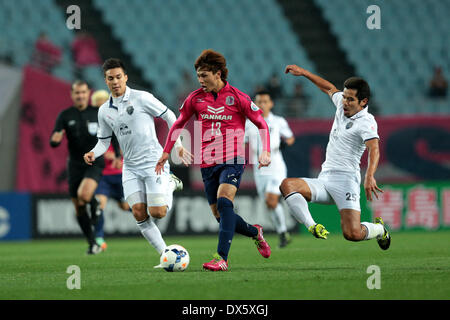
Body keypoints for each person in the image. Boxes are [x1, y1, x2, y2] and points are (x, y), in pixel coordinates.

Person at [155, 49, 272, 271]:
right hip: (208, 162)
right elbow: (178, 123)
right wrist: (166, 151)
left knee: (225, 202)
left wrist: (265, 151)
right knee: (221, 216)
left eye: (204, 76)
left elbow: (261, 123)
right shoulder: (195, 98)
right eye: (198, 76)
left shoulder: (238, 97)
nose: (200, 81)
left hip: (233, 157)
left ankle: (221, 258)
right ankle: (255, 232)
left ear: (218, 74)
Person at [83, 58, 191, 262]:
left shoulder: (142, 98)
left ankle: (170, 182)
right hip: (130, 167)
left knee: (157, 212)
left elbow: (170, 116)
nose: (115, 81)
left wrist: (177, 145)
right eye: (110, 78)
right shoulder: (104, 111)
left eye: (118, 77)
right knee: (139, 213)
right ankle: (166, 255)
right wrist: (93, 153)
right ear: (105, 81)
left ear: (125, 77)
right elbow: (104, 142)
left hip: (153, 161)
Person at [280, 64, 391, 250]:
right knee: (287, 185)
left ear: (363, 102)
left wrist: (370, 175)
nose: (345, 102)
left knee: (352, 234)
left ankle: (380, 229)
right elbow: (328, 88)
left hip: (347, 181)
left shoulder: (366, 122)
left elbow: (374, 149)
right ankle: (312, 226)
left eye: (350, 99)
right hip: (325, 179)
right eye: (345, 97)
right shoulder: (342, 104)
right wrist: (304, 73)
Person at [50, 80, 105, 255]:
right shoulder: (65, 115)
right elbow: (56, 135)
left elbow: (113, 134)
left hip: (94, 161)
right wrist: (55, 139)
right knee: (79, 207)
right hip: (74, 165)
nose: (80, 96)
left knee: (84, 195)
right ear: (72, 95)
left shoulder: (97, 113)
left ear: (88, 93)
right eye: (77, 93)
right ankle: (92, 243)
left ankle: (95, 203)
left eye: (83, 92)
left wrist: (118, 154)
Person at [245, 90, 295, 248]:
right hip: (258, 169)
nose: (262, 104)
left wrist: (284, 144)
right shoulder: (248, 123)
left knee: (272, 201)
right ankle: (283, 233)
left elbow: (290, 137)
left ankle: (282, 232)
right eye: (259, 102)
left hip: (276, 167)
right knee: (268, 203)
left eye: (265, 101)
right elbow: (241, 140)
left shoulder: (278, 121)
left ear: (271, 104)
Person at [90, 90, 130, 250]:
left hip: (119, 174)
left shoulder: (117, 120)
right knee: (99, 205)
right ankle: (99, 238)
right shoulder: (92, 126)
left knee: (126, 207)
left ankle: (149, 212)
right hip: (102, 175)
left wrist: (120, 158)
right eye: (98, 102)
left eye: (103, 101)